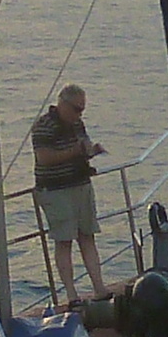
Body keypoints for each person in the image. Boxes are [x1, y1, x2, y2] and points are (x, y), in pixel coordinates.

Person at [29, 83, 107, 303]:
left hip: (80, 184)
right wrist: (76, 151)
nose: (79, 114)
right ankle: (72, 295)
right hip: (56, 190)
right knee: (64, 241)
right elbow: (44, 157)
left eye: (82, 110)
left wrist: (92, 151)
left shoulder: (77, 125)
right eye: (76, 109)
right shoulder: (44, 126)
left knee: (87, 236)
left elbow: (84, 147)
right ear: (62, 104)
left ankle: (99, 288)